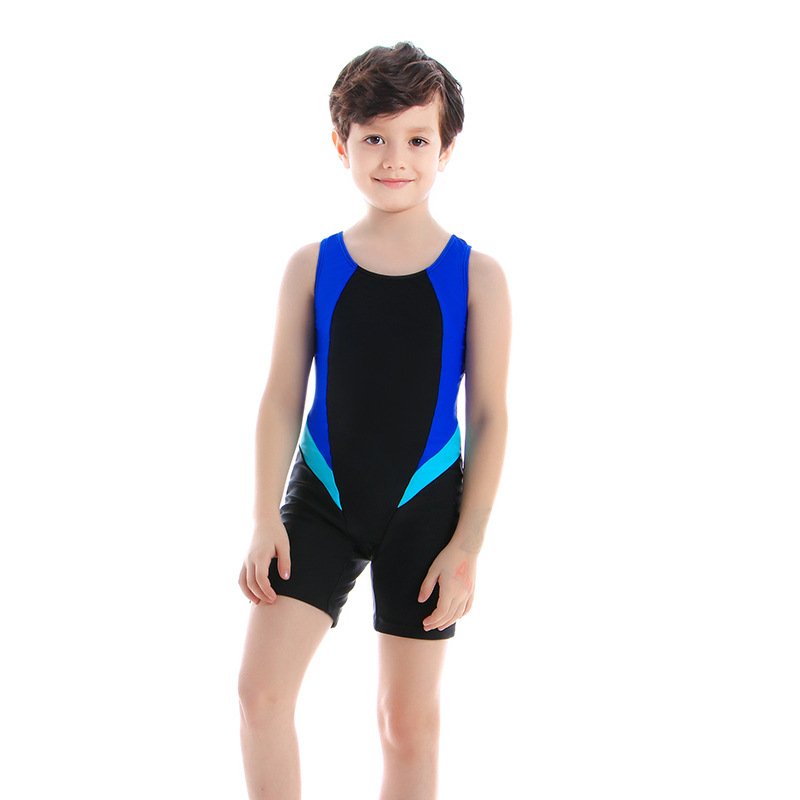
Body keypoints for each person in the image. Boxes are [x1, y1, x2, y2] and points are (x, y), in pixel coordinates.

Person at [237, 40, 511, 800]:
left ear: (446, 149)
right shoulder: (311, 266)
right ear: (342, 145)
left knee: (406, 723)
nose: (395, 158)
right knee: (260, 694)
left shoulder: (478, 277)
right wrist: (264, 517)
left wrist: (467, 544)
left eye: (418, 139)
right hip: (320, 501)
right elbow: (280, 396)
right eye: (374, 138)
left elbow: (490, 415)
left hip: (427, 509)